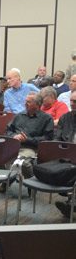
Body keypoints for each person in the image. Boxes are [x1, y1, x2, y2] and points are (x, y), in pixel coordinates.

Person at [1, 93, 53, 192]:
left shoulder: (46, 119)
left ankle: (31, 182)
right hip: (13, 144)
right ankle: (8, 178)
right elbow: (8, 130)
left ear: (37, 104)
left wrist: (27, 139)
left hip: (30, 147)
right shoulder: (19, 115)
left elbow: (47, 140)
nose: (25, 103)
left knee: (23, 163)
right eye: (25, 101)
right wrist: (13, 136)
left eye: (28, 102)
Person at [54, 91, 76, 219]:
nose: (72, 104)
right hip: (66, 155)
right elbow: (57, 139)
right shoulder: (65, 118)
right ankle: (71, 203)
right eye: (72, 101)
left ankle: (71, 204)